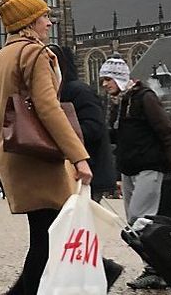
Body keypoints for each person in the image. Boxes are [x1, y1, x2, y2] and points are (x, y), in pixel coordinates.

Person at [0, 0, 92, 295]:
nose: (49, 22)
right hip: (40, 158)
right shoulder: (35, 54)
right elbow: (48, 108)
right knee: (49, 238)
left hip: (14, 154)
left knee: (45, 233)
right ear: (29, 23)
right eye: (44, 16)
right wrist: (79, 157)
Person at [100, 55, 171, 290]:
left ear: (119, 78)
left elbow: (167, 131)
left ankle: (160, 270)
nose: (104, 84)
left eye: (107, 79)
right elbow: (115, 137)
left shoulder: (144, 98)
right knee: (135, 225)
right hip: (129, 171)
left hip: (150, 168)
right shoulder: (119, 103)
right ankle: (156, 268)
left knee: (141, 223)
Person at [49, 44, 124, 288]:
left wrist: (58, 132)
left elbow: (94, 128)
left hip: (89, 171)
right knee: (68, 230)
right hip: (74, 172)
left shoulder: (78, 90)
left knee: (69, 230)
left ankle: (104, 270)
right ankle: (98, 271)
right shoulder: (60, 91)